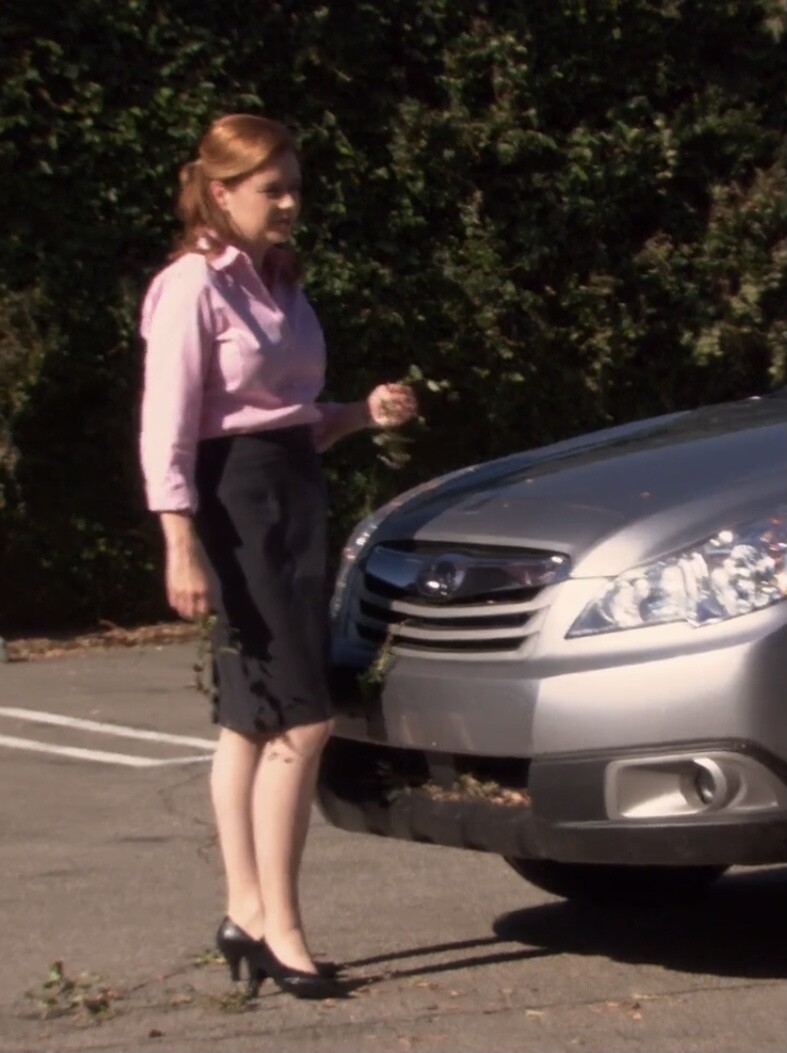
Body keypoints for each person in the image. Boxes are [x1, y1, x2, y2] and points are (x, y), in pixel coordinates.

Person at [138, 113, 417, 1000]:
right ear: (221, 193)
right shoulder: (190, 286)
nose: (290, 202)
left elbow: (289, 416)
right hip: (235, 505)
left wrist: (360, 413)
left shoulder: (282, 283)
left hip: (294, 491)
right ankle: (280, 927)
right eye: (272, 189)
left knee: (251, 718)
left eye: (295, 187)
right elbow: (168, 425)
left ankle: (246, 912)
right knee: (300, 718)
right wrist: (179, 539)